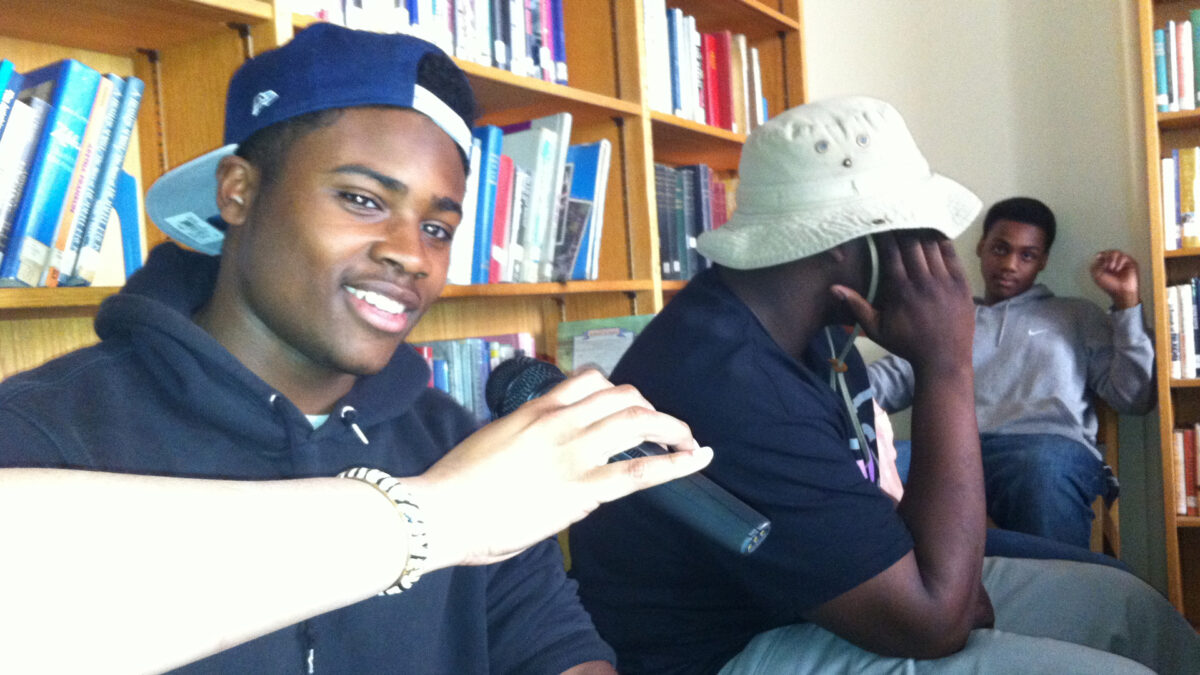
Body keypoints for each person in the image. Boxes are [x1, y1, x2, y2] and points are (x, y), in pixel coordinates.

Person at [0, 24, 714, 674]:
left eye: (437, 227)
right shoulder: (41, 431)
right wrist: (441, 512)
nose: (410, 255)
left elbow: (555, 647)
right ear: (239, 191)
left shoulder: (456, 440)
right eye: (363, 200)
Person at [567, 96, 1199, 674]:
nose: (940, 253)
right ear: (852, 245)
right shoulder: (730, 381)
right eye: (919, 231)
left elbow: (896, 539)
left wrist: (946, 586)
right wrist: (946, 364)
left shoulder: (816, 333)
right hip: (733, 649)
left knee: (1125, 609)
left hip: (827, 594)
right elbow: (935, 623)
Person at [868, 197, 1155, 548]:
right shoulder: (945, 320)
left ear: (1043, 261)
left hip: (1044, 448)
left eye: (1027, 255)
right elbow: (878, 385)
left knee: (1042, 469)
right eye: (1000, 249)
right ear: (980, 247)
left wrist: (1126, 304)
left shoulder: (1076, 315)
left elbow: (1134, 397)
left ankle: (1048, 586)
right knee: (868, 464)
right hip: (950, 451)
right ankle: (917, 591)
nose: (1009, 264)